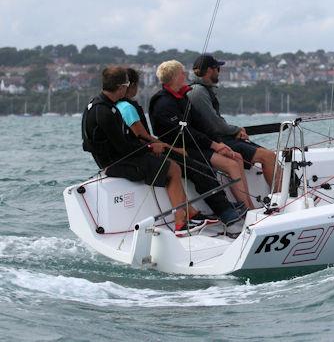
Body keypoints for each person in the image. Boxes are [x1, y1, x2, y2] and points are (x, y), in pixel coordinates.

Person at [82, 66, 207, 236]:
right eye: (126, 86)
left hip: (114, 158)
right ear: (121, 87)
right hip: (116, 163)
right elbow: (124, 148)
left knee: (168, 162)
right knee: (173, 168)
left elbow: (89, 144)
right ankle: (180, 222)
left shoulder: (95, 103)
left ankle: (189, 212)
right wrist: (150, 147)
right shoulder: (105, 112)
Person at [115, 68, 242, 226]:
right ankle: (224, 212)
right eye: (137, 85)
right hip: (150, 151)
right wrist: (172, 148)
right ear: (130, 86)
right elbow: (143, 137)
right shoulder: (129, 107)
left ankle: (210, 209)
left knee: (199, 166)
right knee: (198, 169)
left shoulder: (121, 105)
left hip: (151, 149)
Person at [149, 60, 258, 210]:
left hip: (197, 144)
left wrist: (219, 143)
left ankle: (250, 206)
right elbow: (185, 133)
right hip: (182, 148)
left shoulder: (182, 97)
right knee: (231, 164)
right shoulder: (163, 103)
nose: (186, 75)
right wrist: (213, 145)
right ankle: (248, 210)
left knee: (236, 157)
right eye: (182, 73)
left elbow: (201, 124)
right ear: (175, 77)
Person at [188, 54, 283, 194]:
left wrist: (235, 131)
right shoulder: (198, 92)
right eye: (218, 69)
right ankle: (280, 200)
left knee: (270, 156)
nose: (219, 72)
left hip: (219, 137)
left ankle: (282, 197)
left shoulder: (202, 90)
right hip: (216, 140)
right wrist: (235, 130)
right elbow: (214, 123)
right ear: (209, 70)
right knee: (268, 157)